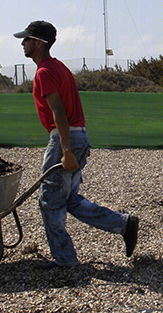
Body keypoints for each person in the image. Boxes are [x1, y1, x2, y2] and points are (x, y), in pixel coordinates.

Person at [14, 20, 138, 267]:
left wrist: (68, 150)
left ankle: (65, 260)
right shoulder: (60, 68)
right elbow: (75, 106)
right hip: (77, 134)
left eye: (26, 39)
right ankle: (123, 223)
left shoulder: (44, 72)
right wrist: (82, 141)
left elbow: (59, 112)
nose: (22, 44)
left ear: (38, 44)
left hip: (63, 139)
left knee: (49, 201)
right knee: (69, 199)